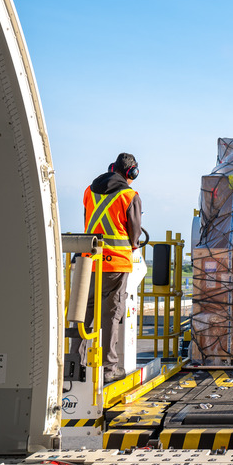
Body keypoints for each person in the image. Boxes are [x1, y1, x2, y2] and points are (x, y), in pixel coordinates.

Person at [83, 153, 143, 383]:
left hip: (90, 261)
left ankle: (75, 364)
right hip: (116, 263)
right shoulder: (130, 195)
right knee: (111, 313)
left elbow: (88, 220)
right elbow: (134, 235)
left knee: (85, 312)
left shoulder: (89, 191)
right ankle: (108, 370)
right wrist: (133, 244)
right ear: (131, 173)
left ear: (112, 168)